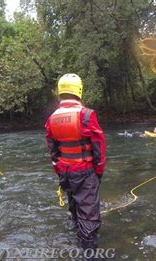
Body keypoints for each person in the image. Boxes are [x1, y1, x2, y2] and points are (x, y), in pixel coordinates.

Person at [45, 74, 106, 251]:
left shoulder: (51, 119)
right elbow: (99, 148)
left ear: (60, 92)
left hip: (66, 172)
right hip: (86, 172)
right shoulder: (86, 115)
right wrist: (99, 172)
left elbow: (53, 151)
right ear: (79, 91)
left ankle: (76, 241)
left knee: (75, 209)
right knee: (89, 217)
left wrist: (61, 172)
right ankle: (89, 253)